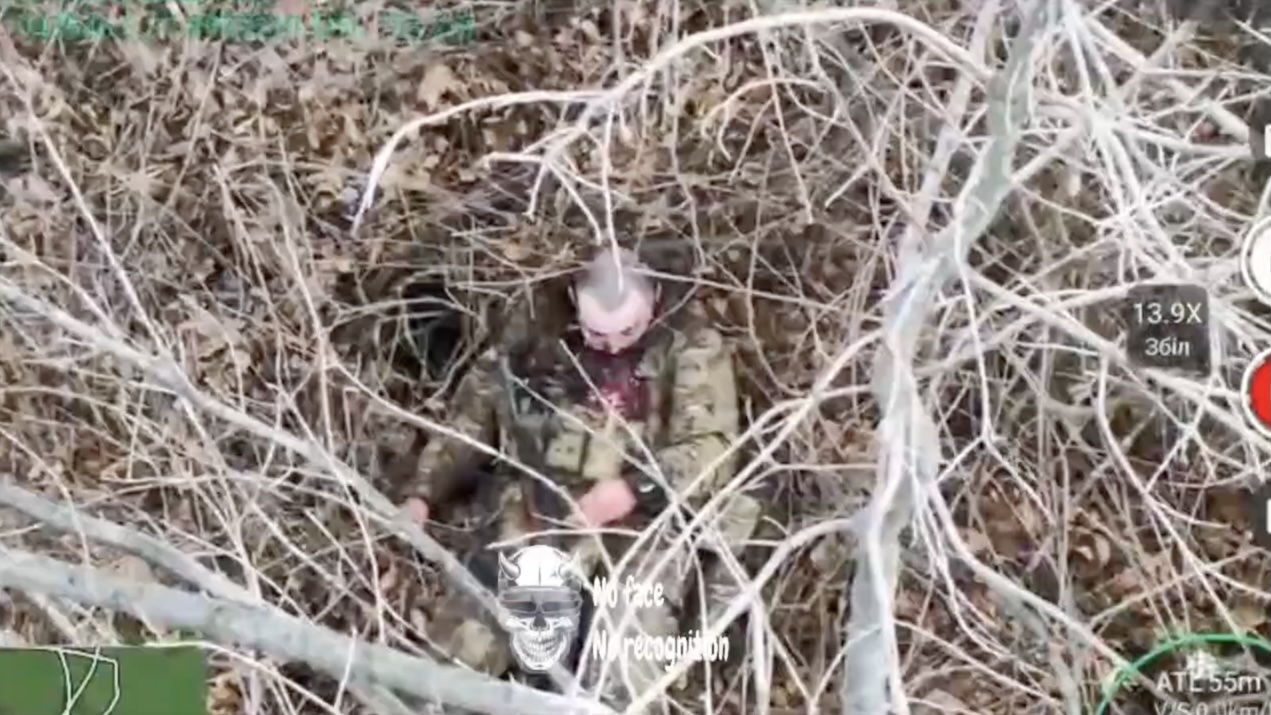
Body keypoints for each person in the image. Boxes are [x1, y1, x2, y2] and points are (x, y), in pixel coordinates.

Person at [401, 247, 761, 707]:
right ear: (574, 297)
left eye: (628, 330)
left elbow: (710, 449)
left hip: (645, 529)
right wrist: (423, 493)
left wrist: (634, 489)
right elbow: (472, 420)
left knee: (625, 663)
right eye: (597, 332)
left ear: (652, 298)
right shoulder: (531, 336)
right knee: (467, 650)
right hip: (538, 515)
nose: (612, 345)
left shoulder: (690, 345)